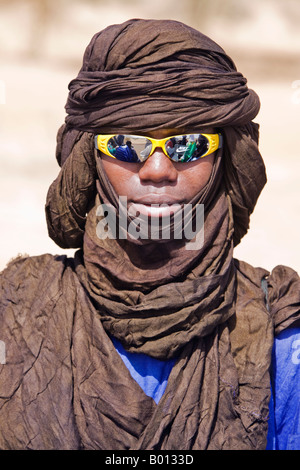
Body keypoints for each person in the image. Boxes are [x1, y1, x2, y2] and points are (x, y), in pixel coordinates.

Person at [0, 18, 299, 451]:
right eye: (125, 144)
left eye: (190, 145)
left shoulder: (281, 335)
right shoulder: (17, 310)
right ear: (90, 159)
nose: (158, 170)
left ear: (226, 160)